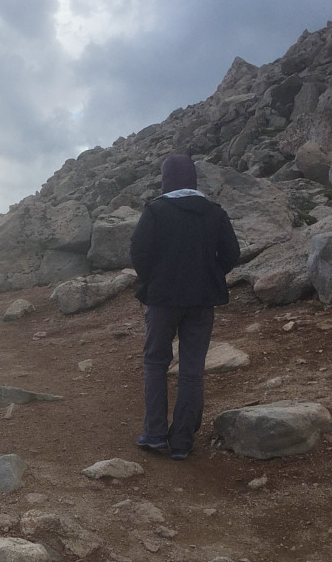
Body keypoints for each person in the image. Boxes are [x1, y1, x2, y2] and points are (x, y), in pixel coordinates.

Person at [130, 154, 240, 460]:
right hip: (202, 300)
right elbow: (232, 253)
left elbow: (138, 251)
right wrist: (212, 273)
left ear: (166, 179)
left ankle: (154, 434)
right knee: (192, 369)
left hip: (162, 299)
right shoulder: (214, 213)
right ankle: (182, 441)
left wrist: (153, 279)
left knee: (155, 363)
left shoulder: (155, 210)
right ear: (193, 179)